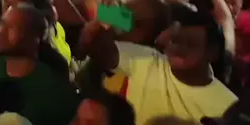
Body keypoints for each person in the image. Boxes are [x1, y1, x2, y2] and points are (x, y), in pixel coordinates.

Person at [81, 9, 237, 124]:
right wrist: (112, 13)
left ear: (212, 53)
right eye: (175, 41)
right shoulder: (148, 59)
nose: (179, 48)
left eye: (191, 44)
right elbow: (96, 47)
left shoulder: (227, 106)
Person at [0, 4, 79, 125]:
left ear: (35, 39)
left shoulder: (53, 89)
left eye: (11, 27)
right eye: (1, 24)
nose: (0, 32)